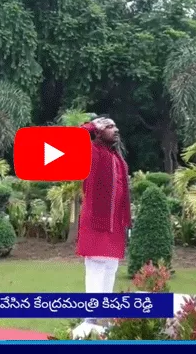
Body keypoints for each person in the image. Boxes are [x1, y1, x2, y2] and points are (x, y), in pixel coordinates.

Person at [77, 117, 131, 297]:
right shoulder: (91, 151)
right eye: (109, 127)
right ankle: (92, 315)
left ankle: (105, 312)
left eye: (116, 126)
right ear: (99, 132)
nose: (116, 130)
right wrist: (92, 126)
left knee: (111, 266)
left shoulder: (116, 157)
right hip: (96, 221)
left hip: (115, 223)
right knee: (96, 267)